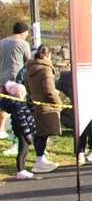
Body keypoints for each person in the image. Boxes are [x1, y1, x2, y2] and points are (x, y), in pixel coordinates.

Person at [23, 45, 61, 174]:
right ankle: (39, 161)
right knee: (43, 134)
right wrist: (58, 102)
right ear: (48, 55)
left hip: (35, 103)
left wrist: (32, 96)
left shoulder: (29, 68)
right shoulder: (46, 69)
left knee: (38, 132)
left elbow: (27, 85)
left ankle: (41, 159)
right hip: (46, 105)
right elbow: (49, 89)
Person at [0, 21, 31, 150]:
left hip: (1, 79)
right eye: (27, 32)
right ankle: (16, 139)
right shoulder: (23, 44)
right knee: (18, 110)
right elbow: (28, 62)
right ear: (23, 32)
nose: (27, 35)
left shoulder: (2, 42)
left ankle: (1, 129)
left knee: (3, 107)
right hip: (15, 80)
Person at [1, 81, 35, 179]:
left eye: (23, 92)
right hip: (21, 129)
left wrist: (30, 104)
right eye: (19, 92)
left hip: (26, 128)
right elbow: (20, 116)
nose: (22, 94)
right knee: (22, 150)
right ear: (14, 93)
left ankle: (23, 170)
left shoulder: (21, 103)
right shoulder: (15, 104)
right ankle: (20, 170)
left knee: (26, 150)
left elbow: (29, 111)